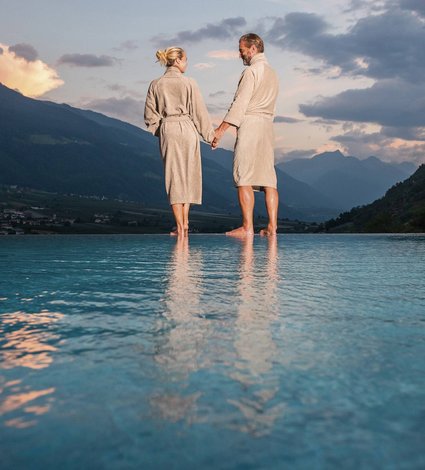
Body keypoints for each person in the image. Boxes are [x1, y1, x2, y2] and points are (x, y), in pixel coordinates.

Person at [212, 33, 279, 237]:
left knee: (244, 176)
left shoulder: (251, 72)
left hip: (250, 123)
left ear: (252, 49)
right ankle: (272, 227)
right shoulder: (273, 73)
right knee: (268, 179)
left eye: (241, 50)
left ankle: (247, 227)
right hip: (267, 126)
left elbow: (239, 105)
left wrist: (220, 130)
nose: (240, 54)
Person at [144, 47, 214, 237]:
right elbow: (200, 112)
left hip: (169, 128)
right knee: (189, 175)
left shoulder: (155, 84)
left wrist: (162, 130)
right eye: (186, 59)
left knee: (173, 176)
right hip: (188, 128)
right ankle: (186, 222)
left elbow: (150, 116)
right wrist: (210, 136)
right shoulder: (189, 83)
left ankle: (180, 225)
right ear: (178, 61)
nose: (187, 63)